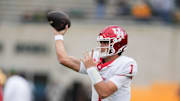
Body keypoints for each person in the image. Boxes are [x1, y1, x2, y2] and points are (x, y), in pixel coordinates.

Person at [53, 25, 138, 101]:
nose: (101, 46)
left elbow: (104, 92)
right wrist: (58, 36)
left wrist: (92, 69)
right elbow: (63, 59)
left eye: (105, 42)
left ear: (118, 44)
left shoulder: (126, 64)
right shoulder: (96, 58)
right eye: (101, 42)